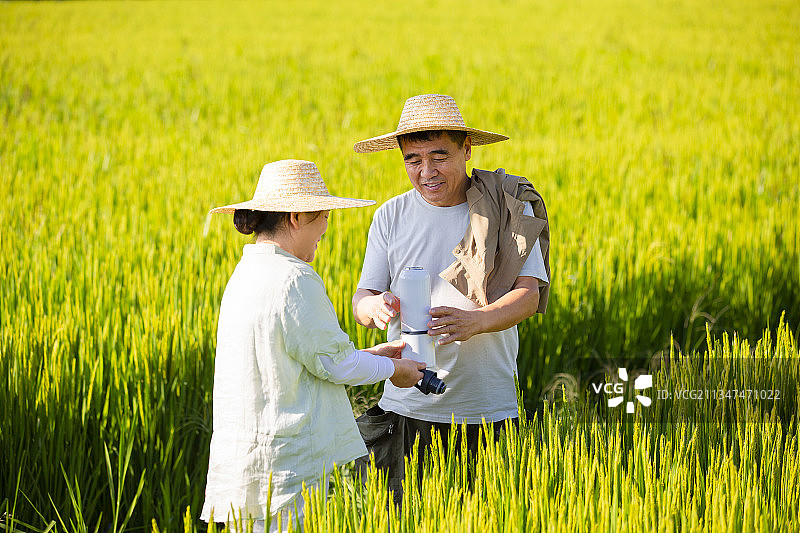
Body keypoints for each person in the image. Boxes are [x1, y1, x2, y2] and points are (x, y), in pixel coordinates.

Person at [200, 159, 426, 532]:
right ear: (295, 217)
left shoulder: (245, 275)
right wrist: (394, 369)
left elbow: (300, 360)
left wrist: (371, 356)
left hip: (249, 473)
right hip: (289, 473)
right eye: (322, 217)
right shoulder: (294, 279)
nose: (325, 228)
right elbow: (336, 364)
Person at [350, 95, 551, 500]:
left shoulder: (507, 208)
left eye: (439, 156)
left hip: (486, 410)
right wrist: (373, 307)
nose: (427, 171)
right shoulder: (390, 216)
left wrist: (476, 322)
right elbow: (362, 296)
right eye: (413, 159)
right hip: (405, 410)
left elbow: (529, 296)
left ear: (467, 149)